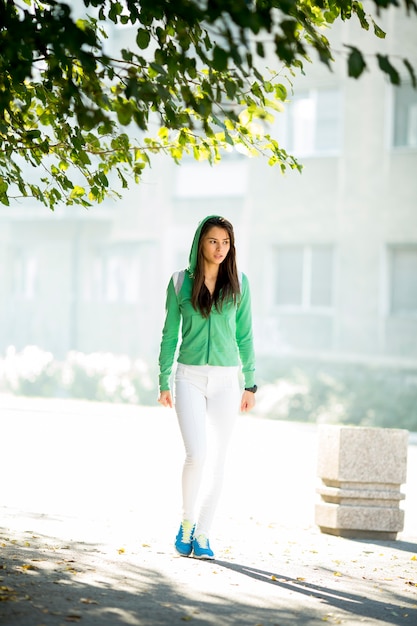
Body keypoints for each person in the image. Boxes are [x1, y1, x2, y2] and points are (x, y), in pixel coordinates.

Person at [157, 215, 257, 560]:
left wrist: (251, 383)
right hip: (189, 377)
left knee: (219, 461)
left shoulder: (240, 283)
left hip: (229, 380)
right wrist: (163, 379)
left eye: (226, 243)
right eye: (214, 241)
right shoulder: (178, 282)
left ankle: (204, 533)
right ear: (201, 241)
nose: (220, 249)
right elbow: (170, 334)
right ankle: (186, 522)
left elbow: (245, 336)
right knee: (196, 455)